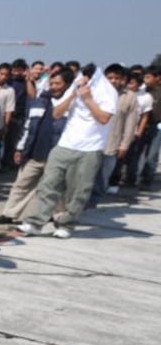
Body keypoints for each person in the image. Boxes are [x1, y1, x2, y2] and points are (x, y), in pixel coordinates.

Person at [19, 67, 118, 238]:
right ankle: (35, 223)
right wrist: (73, 95)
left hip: (89, 149)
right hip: (65, 145)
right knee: (48, 184)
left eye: (87, 78)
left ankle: (67, 224)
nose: (83, 81)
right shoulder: (75, 88)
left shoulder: (108, 92)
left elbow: (103, 119)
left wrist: (88, 99)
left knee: (78, 191)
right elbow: (57, 113)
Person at [0, 68, 72, 225]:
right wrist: (20, 149)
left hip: (58, 154)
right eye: (52, 83)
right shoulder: (41, 100)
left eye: (58, 83)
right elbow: (28, 126)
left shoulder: (74, 105)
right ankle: (10, 213)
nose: (54, 86)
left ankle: (59, 217)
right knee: (21, 185)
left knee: (57, 188)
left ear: (68, 84)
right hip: (35, 153)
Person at [88, 64, 138, 204]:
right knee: (88, 173)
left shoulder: (129, 97)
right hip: (92, 140)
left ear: (122, 79)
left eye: (117, 78)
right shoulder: (96, 92)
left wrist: (125, 144)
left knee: (104, 174)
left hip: (112, 143)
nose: (114, 81)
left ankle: (95, 200)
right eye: (110, 77)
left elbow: (130, 123)